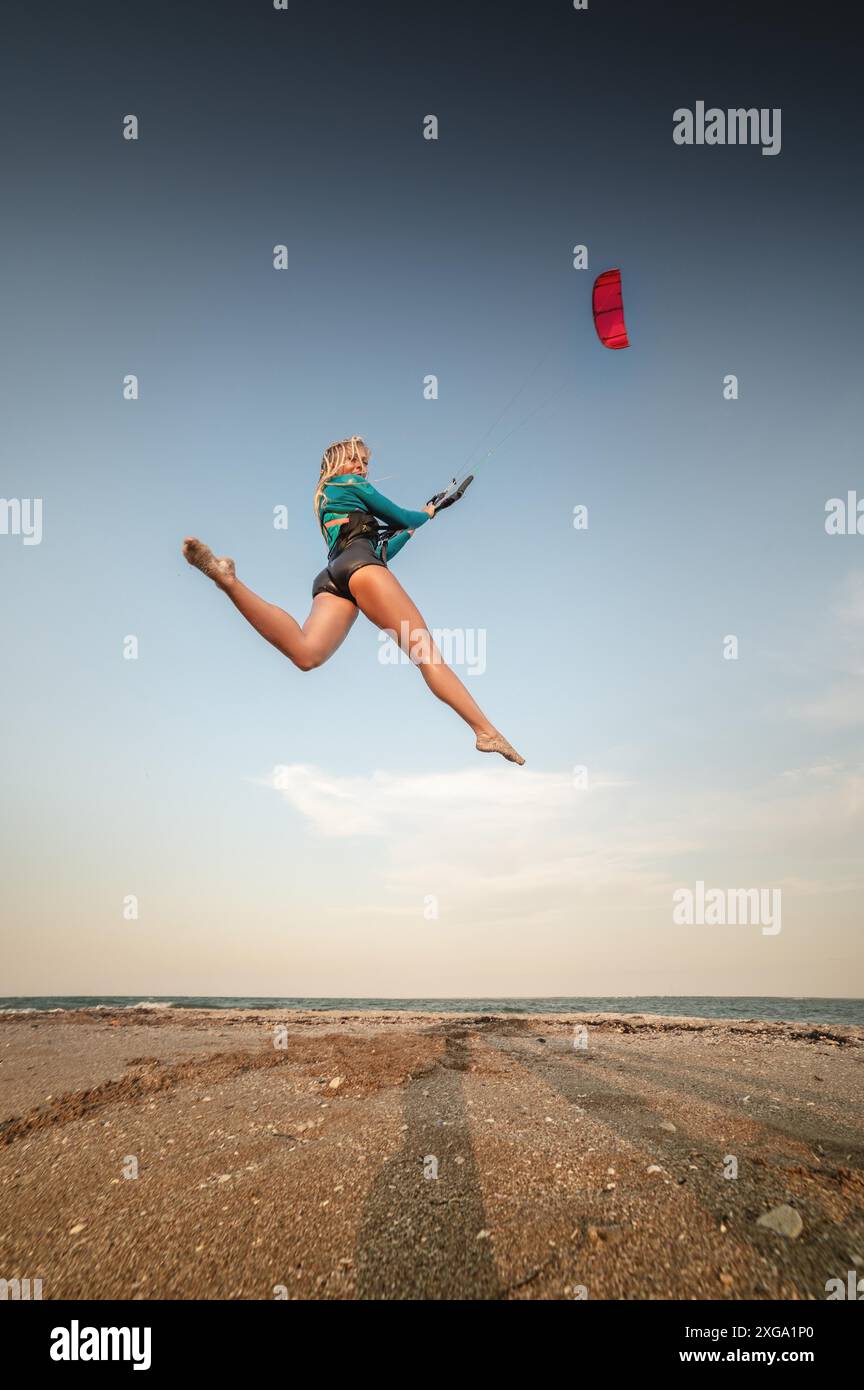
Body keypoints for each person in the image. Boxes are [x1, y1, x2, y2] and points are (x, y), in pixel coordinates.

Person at [183, 434, 524, 763]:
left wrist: (417, 524)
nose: (361, 467)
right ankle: (484, 731)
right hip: (363, 568)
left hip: (335, 575)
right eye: (353, 459)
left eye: (364, 462)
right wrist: (424, 516)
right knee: (427, 655)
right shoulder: (347, 484)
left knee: (305, 653)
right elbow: (400, 518)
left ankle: (228, 581)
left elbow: (385, 547)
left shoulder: (327, 499)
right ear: (333, 464)